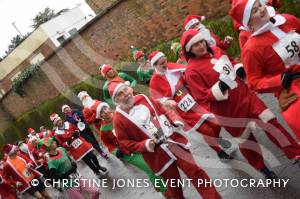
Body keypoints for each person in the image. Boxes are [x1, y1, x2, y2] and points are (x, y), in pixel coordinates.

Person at [181, 28, 300, 176]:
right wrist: (219, 88)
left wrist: (238, 68)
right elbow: (201, 97)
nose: (200, 46)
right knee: (247, 141)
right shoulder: (191, 71)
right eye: (195, 45)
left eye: (201, 41)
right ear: (189, 49)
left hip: (245, 95)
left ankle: (295, 153)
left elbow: (230, 62)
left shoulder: (217, 50)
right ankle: (262, 168)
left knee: (271, 123)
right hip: (228, 110)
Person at [108, 78, 221, 199]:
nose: (125, 94)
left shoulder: (143, 98)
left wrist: (174, 119)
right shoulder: (118, 119)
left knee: (195, 172)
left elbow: (162, 110)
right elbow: (124, 143)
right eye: (120, 94)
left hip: (173, 141)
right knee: (174, 185)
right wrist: (145, 144)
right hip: (157, 155)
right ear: (116, 100)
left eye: (125, 90)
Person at [230, 0, 300, 140]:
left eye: (260, 5)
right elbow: (254, 82)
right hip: (291, 86)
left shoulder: (287, 19)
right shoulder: (251, 49)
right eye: (254, 11)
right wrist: (278, 80)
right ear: (248, 22)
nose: (262, 10)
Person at [79, 92, 169, 196]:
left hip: (138, 145)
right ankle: (165, 192)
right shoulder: (103, 129)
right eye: (102, 112)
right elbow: (108, 144)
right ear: (100, 116)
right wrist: (117, 151)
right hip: (128, 154)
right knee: (150, 168)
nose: (105, 112)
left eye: (105, 109)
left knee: (156, 165)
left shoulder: (120, 116)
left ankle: (164, 186)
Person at [148, 50, 233, 159]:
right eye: (161, 64)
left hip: (193, 98)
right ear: (155, 66)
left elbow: (188, 73)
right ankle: (219, 151)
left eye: (165, 61)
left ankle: (216, 139)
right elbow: (157, 100)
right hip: (181, 109)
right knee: (206, 131)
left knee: (215, 123)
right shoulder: (154, 81)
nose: (165, 64)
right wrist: (167, 102)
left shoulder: (172, 67)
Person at [50, 113, 108, 178]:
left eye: (59, 120)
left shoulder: (68, 124)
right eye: (57, 122)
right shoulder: (57, 134)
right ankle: (96, 171)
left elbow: (76, 129)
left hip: (81, 142)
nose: (59, 122)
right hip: (74, 148)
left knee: (92, 155)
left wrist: (77, 132)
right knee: (87, 160)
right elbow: (61, 144)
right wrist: (68, 142)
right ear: (55, 124)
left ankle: (99, 166)